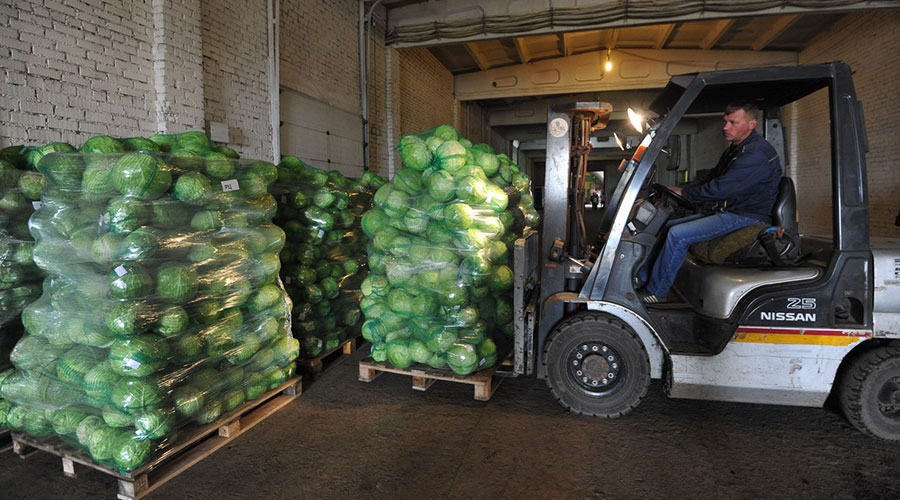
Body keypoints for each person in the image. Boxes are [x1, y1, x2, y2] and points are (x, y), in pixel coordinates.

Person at [641, 102, 782, 303]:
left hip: (746, 216)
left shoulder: (755, 154)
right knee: (668, 226)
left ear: (752, 124)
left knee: (678, 235)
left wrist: (687, 192)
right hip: (732, 211)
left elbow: (721, 189)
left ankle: (657, 292)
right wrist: (683, 187)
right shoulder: (736, 150)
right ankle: (643, 280)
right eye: (725, 122)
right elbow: (712, 179)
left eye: (733, 122)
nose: (726, 127)